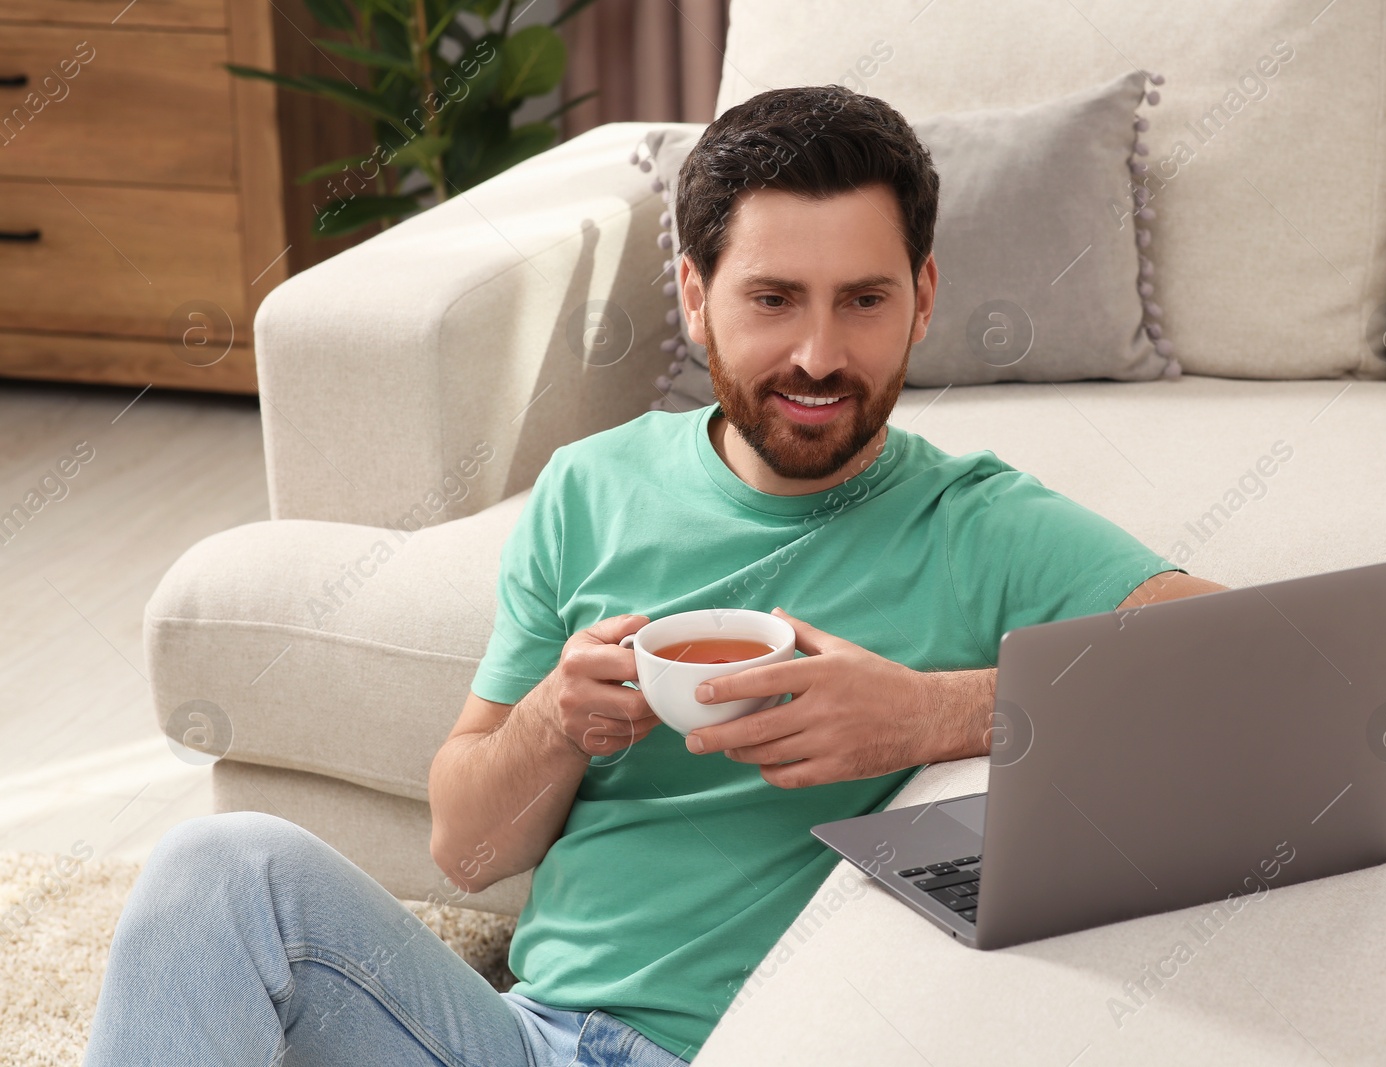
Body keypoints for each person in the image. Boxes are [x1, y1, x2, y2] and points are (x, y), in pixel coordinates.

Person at [83, 84, 1226, 1066]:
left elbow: (1261, 679)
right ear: (693, 296)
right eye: (773, 298)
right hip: (526, 1036)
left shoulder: (981, 523)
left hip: (765, 1043)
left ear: (923, 298)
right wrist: (552, 722)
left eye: (863, 301)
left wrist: (924, 714)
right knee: (220, 867)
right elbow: (469, 851)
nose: (820, 356)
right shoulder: (590, 490)